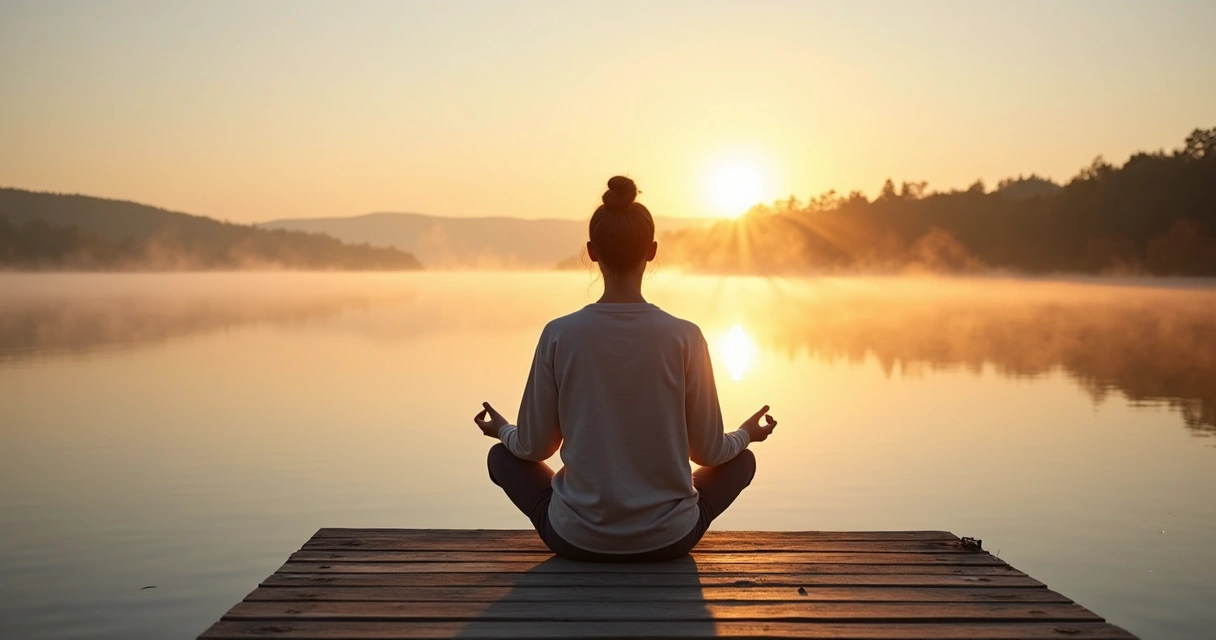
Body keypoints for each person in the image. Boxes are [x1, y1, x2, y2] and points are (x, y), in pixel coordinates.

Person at [474, 176, 778, 562]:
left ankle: (581, 516)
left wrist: (501, 429)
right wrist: (746, 435)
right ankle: (664, 518)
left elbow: (534, 448)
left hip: (576, 540)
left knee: (502, 457)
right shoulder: (685, 337)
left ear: (592, 251)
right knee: (742, 462)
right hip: (670, 539)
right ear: (651, 252)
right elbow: (709, 452)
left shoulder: (560, 335)